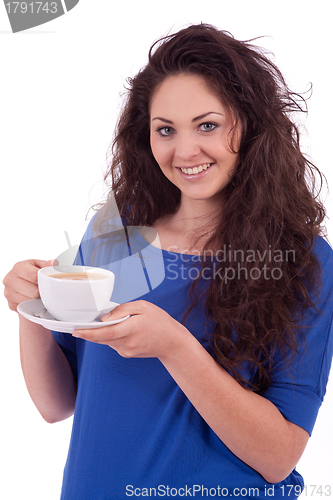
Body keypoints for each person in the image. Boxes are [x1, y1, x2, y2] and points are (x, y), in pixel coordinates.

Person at [3, 23, 333, 499]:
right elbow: (57, 404)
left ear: (251, 125)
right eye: (165, 130)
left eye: (208, 125)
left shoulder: (303, 261)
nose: (185, 150)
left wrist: (175, 347)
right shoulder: (114, 233)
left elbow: (279, 458)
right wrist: (30, 310)